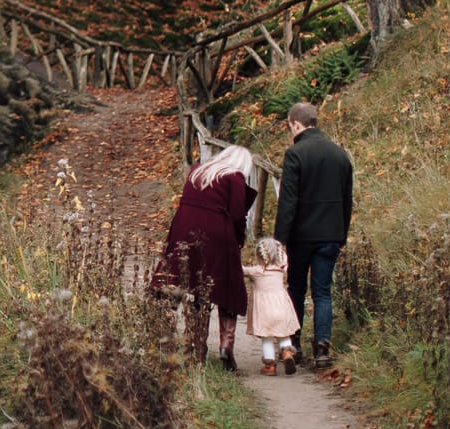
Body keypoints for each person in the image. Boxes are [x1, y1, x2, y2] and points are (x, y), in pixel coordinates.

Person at [152, 143, 257, 370]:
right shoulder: (234, 177)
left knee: (185, 279)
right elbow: (238, 213)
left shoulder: (198, 171)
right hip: (217, 233)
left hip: (183, 227)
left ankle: (193, 344)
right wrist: (239, 239)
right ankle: (225, 345)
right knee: (226, 284)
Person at [273, 101, 354, 370]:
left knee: (296, 289)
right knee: (322, 292)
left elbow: (288, 201)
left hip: (301, 236)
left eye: (289, 127)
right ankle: (322, 348)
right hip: (330, 234)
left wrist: (279, 240)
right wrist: (341, 234)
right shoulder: (340, 155)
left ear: (295, 124)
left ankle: (293, 345)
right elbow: (346, 200)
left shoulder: (295, 154)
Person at [243, 237, 302, 375]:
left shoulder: (257, 271)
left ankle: (270, 366)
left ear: (259, 255)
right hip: (282, 308)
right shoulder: (280, 270)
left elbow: (241, 270)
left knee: (267, 337)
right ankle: (287, 352)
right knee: (283, 334)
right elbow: (285, 260)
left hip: (265, 312)